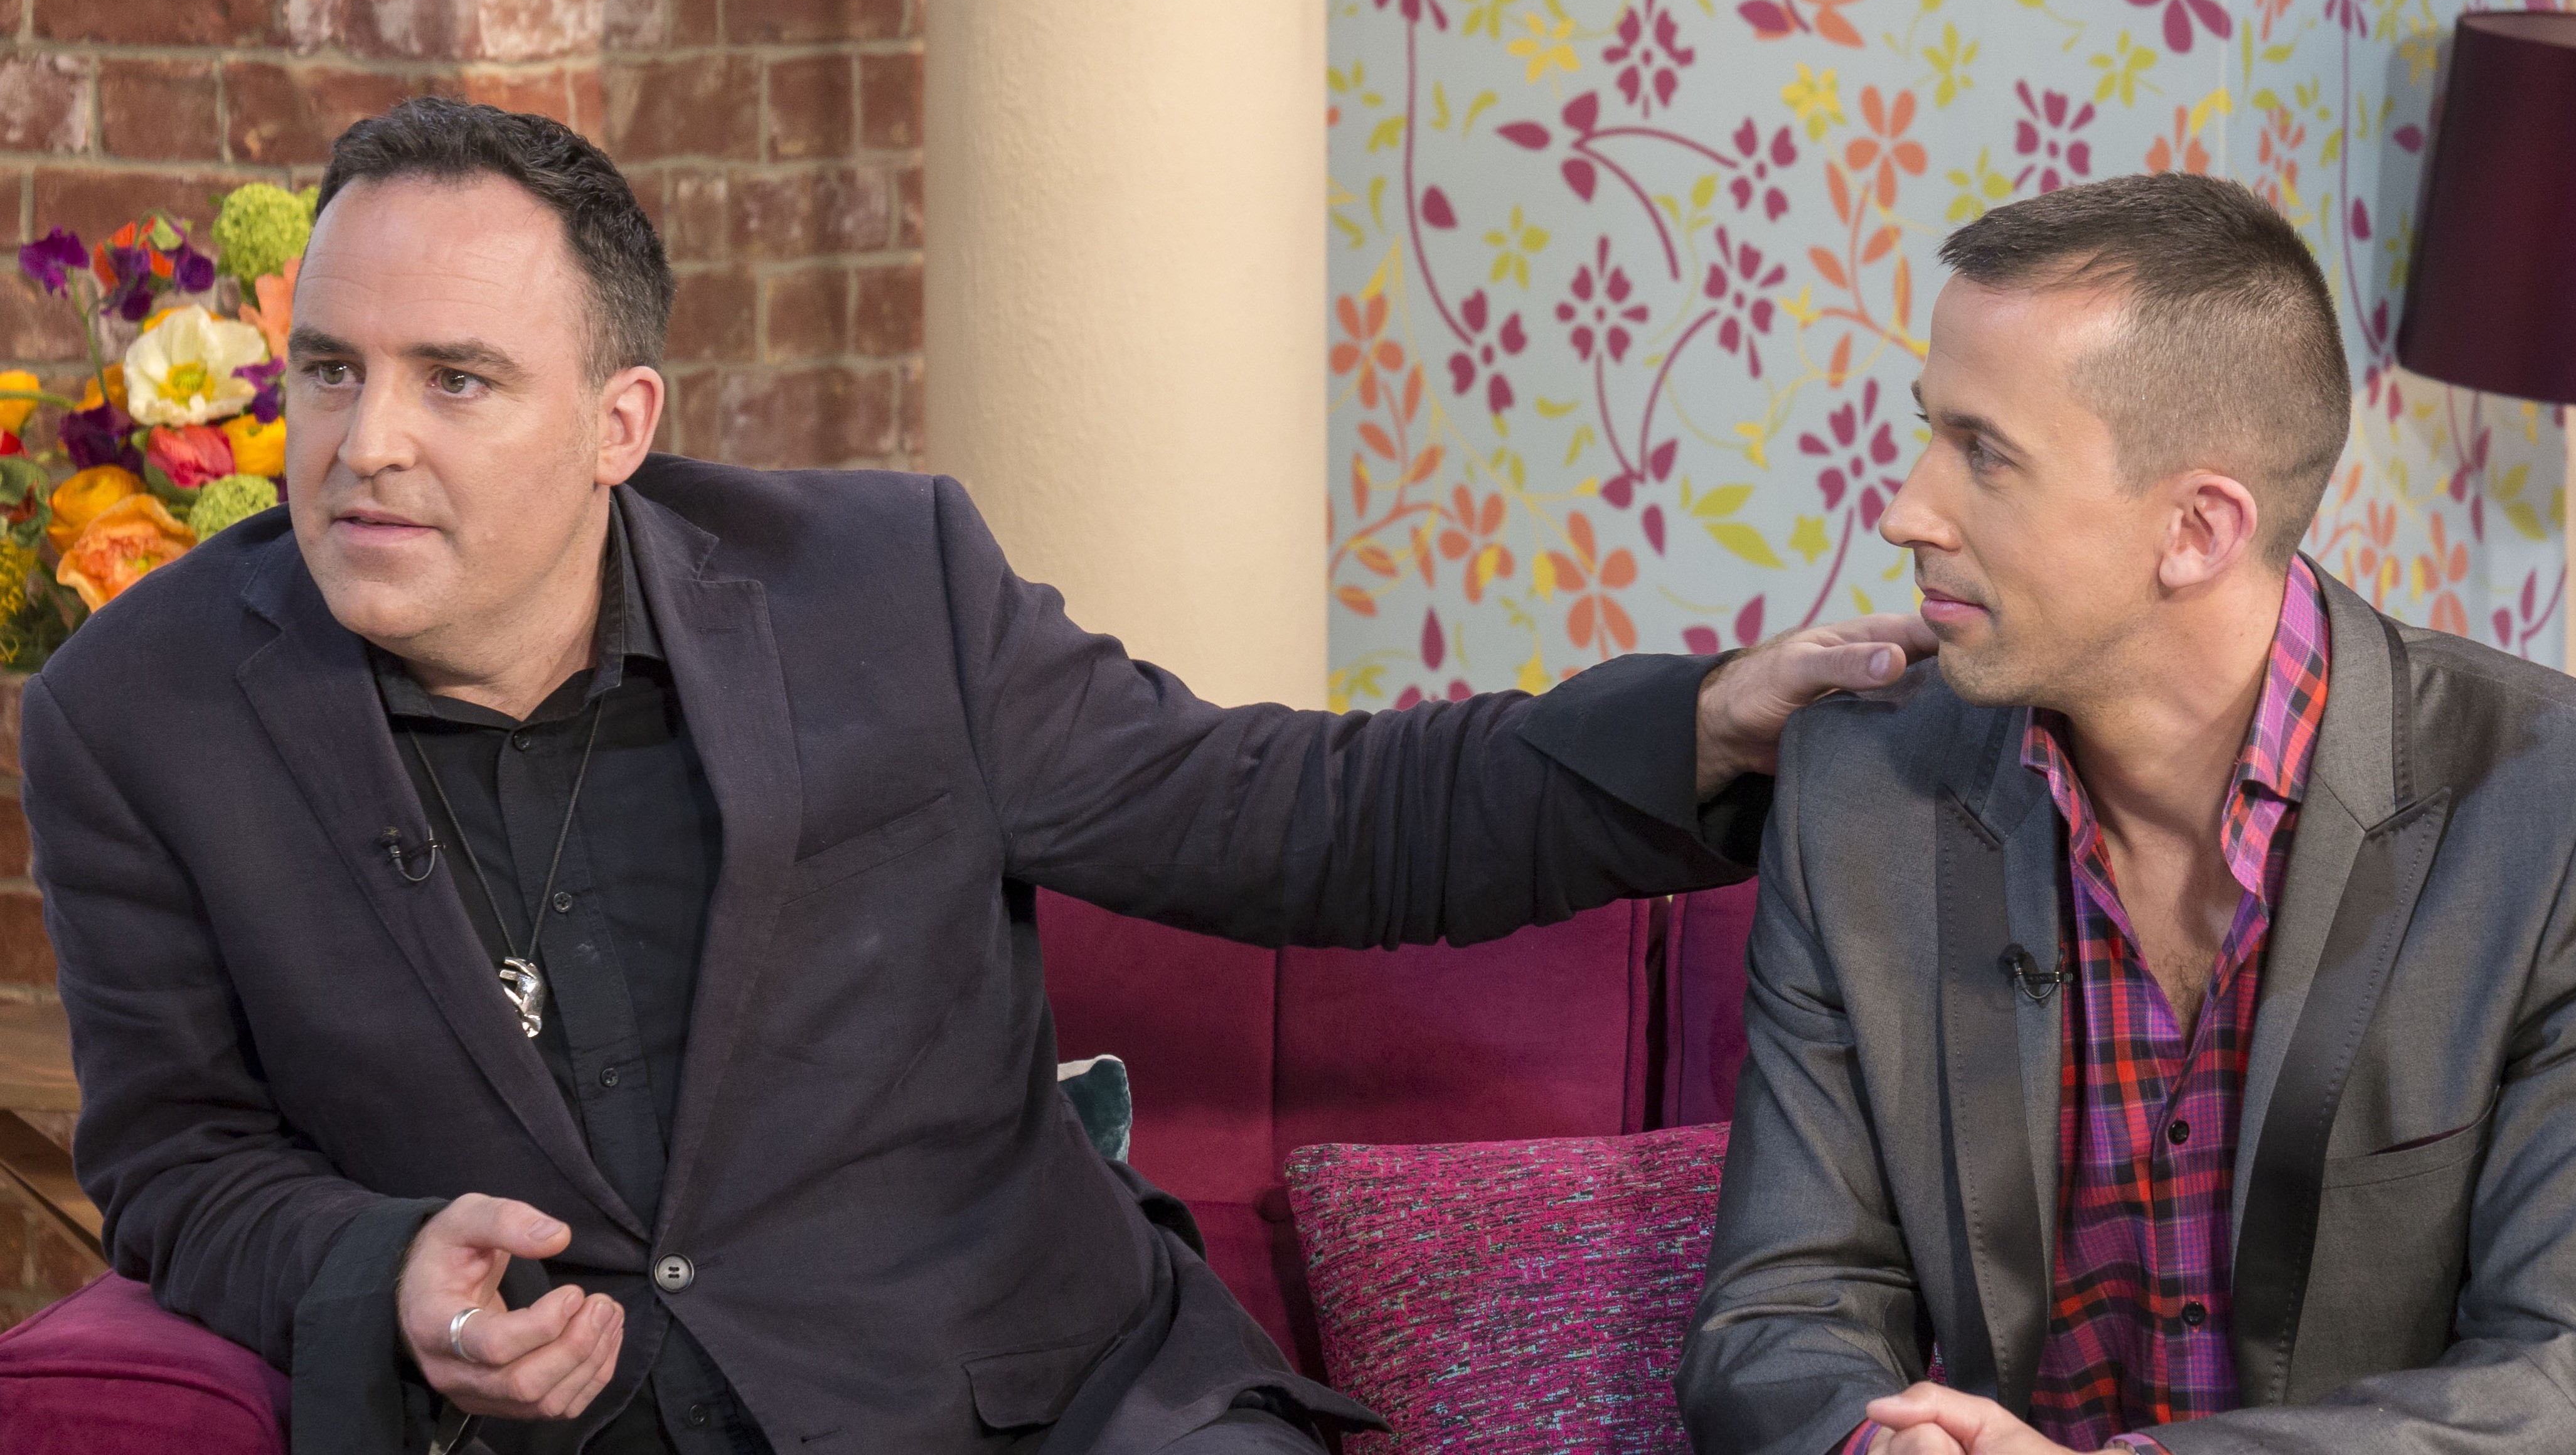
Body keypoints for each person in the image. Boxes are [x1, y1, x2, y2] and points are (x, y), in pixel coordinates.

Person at [24, 99, 1927, 1455]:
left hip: (1044, 1400)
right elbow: (182, 1164)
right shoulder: (137, 711)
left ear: (619, 422)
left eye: (455, 380)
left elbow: (1295, 816)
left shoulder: (881, 588)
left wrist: (1702, 729)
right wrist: (384, 1270)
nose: (365, 442)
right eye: (330, 372)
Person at [1675, 172, 2576, 1455]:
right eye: (1927, 433)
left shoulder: (2575, 807)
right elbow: (1781, 1310)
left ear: (2196, 528)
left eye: (1983, 453)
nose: (1905, 509)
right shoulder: (1859, 790)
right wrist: (1884, 1444)